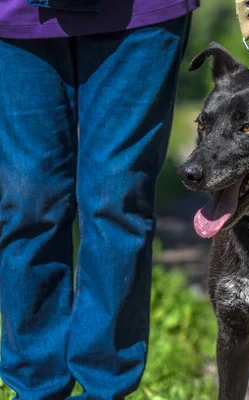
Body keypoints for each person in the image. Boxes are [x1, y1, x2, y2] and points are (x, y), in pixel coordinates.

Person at [0, 0, 199, 398]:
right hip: (15, 13)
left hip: (142, 11)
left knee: (116, 198)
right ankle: (35, 390)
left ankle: (104, 390)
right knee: (28, 202)